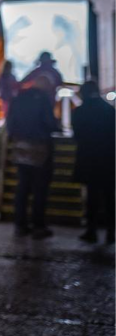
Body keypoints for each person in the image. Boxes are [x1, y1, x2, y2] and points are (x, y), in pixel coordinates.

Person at [6, 75, 60, 239]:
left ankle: (20, 225)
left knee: (22, 187)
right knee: (40, 189)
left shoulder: (19, 98)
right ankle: (38, 225)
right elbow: (49, 122)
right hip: (40, 148)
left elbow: (10, 122)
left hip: (21, 148)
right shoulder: (43, 99)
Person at [71, 80, 116, 244]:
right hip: (108, 159)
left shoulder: (80, 112)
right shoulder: (109, 110)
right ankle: (111, 231)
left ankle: (92, 230)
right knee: (109, 196)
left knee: (92, 196)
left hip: (89, 159)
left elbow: (77, 136)